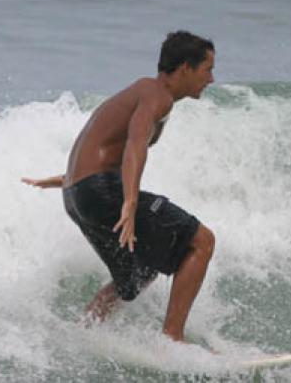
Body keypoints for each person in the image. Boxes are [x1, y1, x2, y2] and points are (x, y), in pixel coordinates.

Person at [21, 30, 216, 342]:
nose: (211, 79)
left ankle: (83, 331)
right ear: (184, 68)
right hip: (101, 191)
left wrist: (65, 180)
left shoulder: (141, 92)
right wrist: (130, 201)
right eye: (207, 69)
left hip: (77, 195)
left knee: (139, 274)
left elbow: (106, 147)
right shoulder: (157, 95)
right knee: (201, 241)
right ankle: (172, 339)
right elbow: (135, 142)